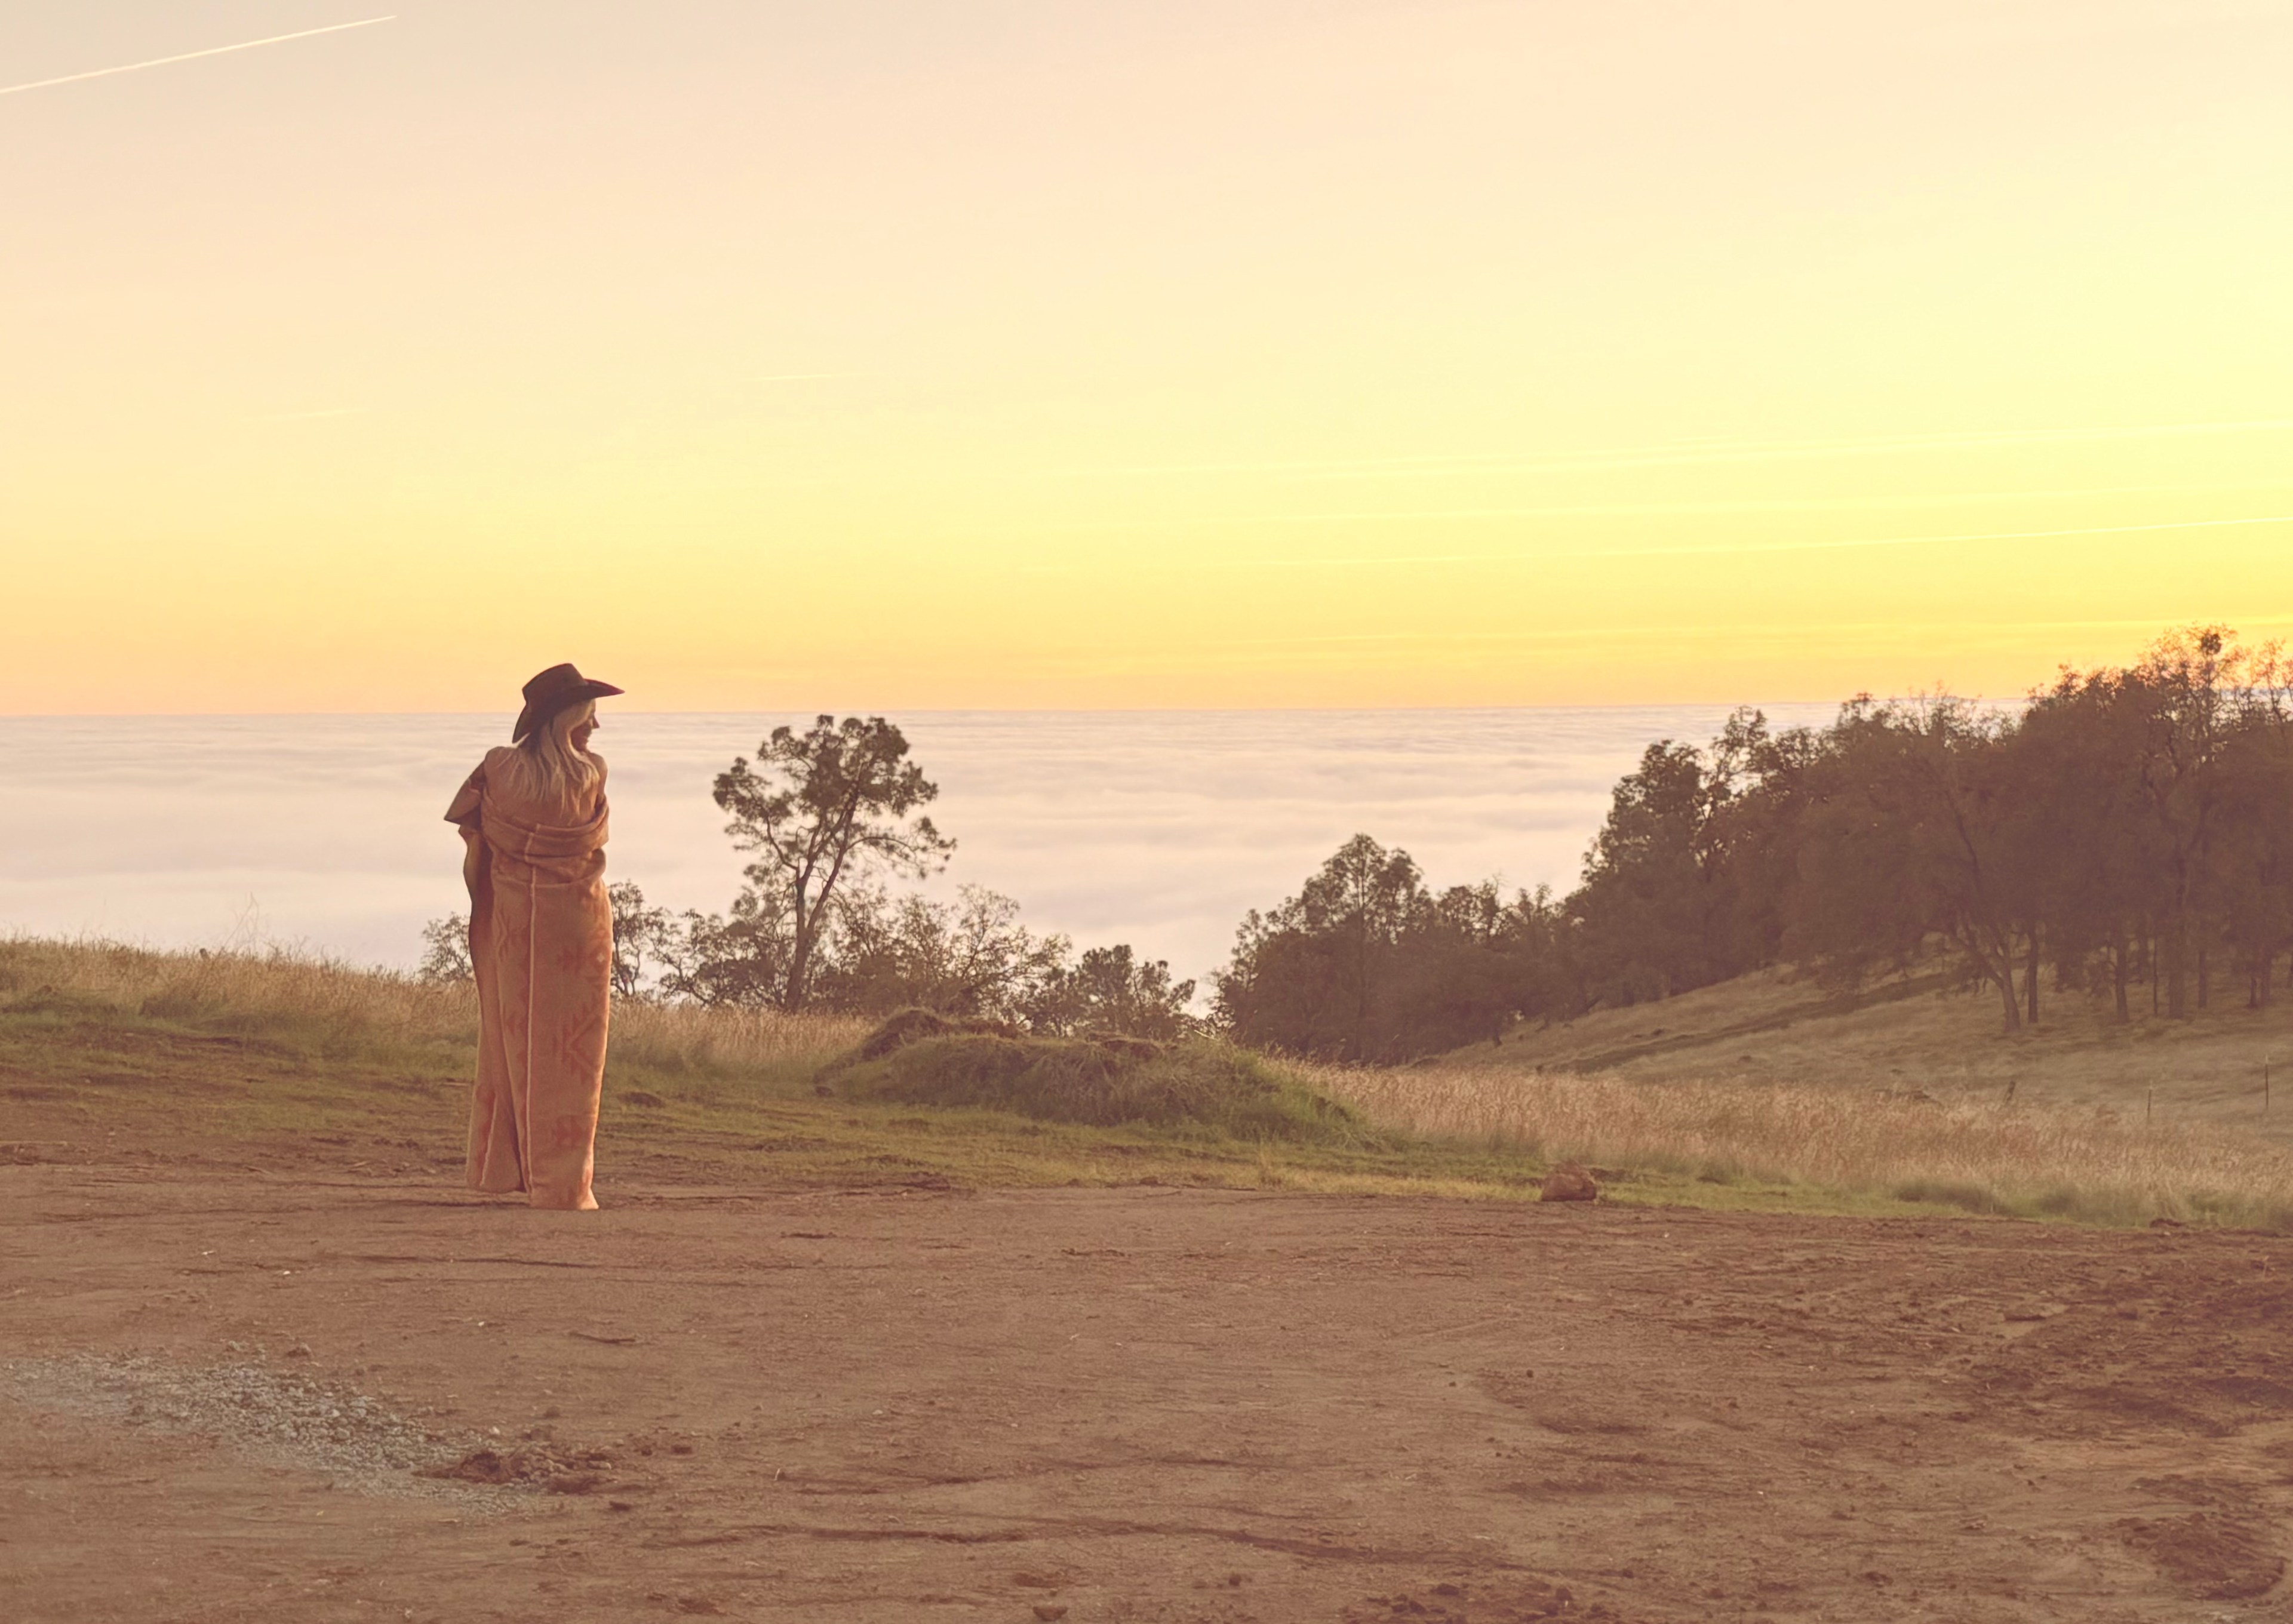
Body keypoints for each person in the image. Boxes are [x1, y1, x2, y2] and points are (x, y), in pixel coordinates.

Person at [444, 663, 623, 1210]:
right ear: (565, 719)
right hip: (581, 922)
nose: (595, 727)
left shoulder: (499, 766)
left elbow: (475, 834)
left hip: (517, 921)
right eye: (588, 717)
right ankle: (563, 1181)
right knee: (574, 1054)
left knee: (512, 1039)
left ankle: (504, 1169)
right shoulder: (593, 773)